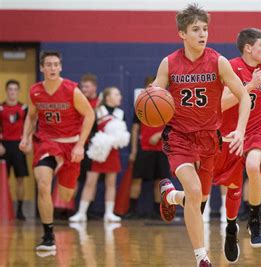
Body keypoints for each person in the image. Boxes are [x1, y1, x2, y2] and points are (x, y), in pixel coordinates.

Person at [152, 4, 251, 266]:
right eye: (195, 29)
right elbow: (153, 96)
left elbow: (244, 97)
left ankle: (171, 196)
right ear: (182, 34)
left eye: (205, 29)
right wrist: (149, 98)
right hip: (179, 138)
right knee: (194, 192)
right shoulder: (169, 63)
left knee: (199, 199)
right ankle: (202, 258)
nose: (202, 34)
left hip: (209, 138)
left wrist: (240, 130)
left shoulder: (218, 61)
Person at [213, 28, 261, 262]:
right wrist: (250, 85)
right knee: (232, 186)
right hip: (232, 133)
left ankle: (255, 221)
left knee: (254, 167)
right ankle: (230, 228)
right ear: (248, 48)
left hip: (257, 130)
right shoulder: (231, 67)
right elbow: (222, 104)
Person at [19, 51, 95, 251]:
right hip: (47, 143)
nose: (52, 68)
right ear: (42, 68)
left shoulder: (71, 90)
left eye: (55, 64)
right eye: (48, 65)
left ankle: (63, 174)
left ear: (60, 67)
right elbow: (31, 117)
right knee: (43, 184)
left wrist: (80, 144)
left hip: (71, 145)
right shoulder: (35, 91)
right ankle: (48, 236)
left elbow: (89, 114)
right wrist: (25, 137)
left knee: (66, 194)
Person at [69, 86, 129, 222]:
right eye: (116, 94)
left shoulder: (121, 113)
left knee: (111, 183)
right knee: (90, 182)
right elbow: (91, 131)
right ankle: (81, 213)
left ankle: (109, 213)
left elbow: (123, 134)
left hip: (113, 152)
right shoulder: (97, 111)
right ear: (108, 97)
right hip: (98, 151)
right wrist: (99, 142)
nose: (120, 97)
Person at [127, 77, 171, 219]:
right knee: (137, 179)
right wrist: (134, 150)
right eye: (149, 86)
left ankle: (157, 212)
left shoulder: (167, 104)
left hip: (162, 150)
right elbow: (134, 129)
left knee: (160, 181)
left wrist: (159, 134)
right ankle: (132, 211)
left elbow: (173, 127)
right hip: (144, 149)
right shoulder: (141, 105)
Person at [0, 79, 29, 220]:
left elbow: (30, 127)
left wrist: (27, 142)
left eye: (15, 89)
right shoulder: (0, 108)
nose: (12, 92)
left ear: (18, 91)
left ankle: (20, 210)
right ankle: (3, 208)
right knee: (2, 180)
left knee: (20, 179)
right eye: (10, 89)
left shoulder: (24, 108)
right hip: (4, 147)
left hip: (18, 146)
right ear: (7, 91)